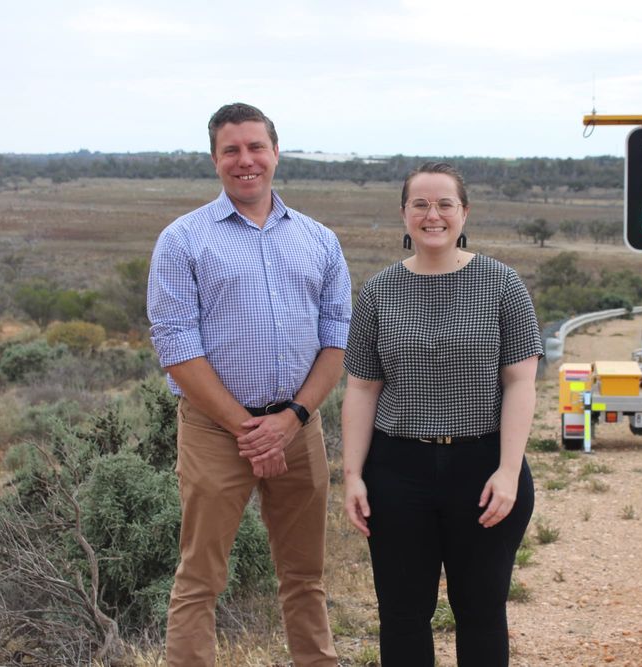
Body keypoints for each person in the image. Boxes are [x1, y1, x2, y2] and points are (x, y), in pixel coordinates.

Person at [147, 102, 351, 667]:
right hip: (216, 433)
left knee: (305, 573)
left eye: (256, 147)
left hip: (298, 428)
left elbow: (337, 340)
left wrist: (290, 421)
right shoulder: (182, 240)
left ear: (276, 153)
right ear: (215, 160)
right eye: (231, 150)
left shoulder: (319, 240)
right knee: (200, 577)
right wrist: (249, 430)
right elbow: (177, 349)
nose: (246, 161)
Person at [341, 162, 542, 666]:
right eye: (421, 204)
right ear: (404, 214)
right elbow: (362, 388)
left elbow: (521, 382)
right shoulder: (378, 292)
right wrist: (352, 477)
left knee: (480, 610)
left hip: (483, 468)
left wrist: (509, 470)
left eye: (445, 204)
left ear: (464, 212)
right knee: (403, 614)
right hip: (396, 471)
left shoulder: (502, 285)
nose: (433, 215)